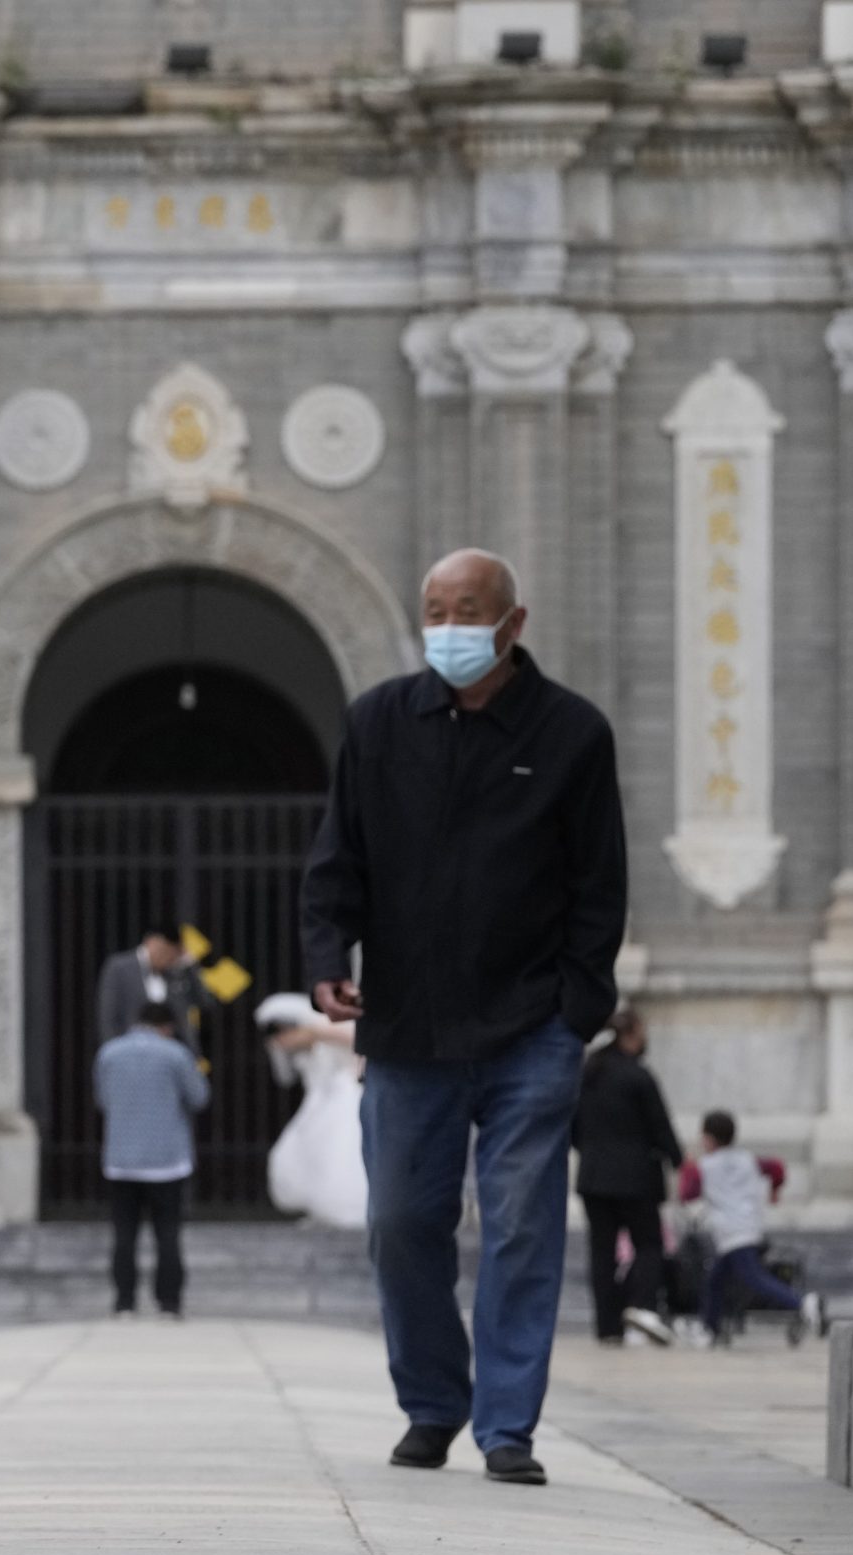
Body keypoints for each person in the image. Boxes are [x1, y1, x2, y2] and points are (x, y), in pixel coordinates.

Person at [302, 548, 627, 1489]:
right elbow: (337, 866)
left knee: (524, 1226)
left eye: (467, 609)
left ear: (512, 622)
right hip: (408, 1029)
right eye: (433, 607)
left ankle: (508, 1425)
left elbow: (599, 885)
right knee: (402, 1221)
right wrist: (328, 964)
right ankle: (434, 1401)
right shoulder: (378, 724)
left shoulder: (573, 732)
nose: (447, 624)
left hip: (532, 1029)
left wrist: (577, 1010)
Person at [571, 1009, 683, 1346]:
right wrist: (678, 1160)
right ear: (631, 1034)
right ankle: (641, 1304)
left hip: (593, 1177)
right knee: (648, 1243)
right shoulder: (638, 1076)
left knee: (601, 1251)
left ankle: (607, 1326)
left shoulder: (586, 1075)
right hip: (636, 1178)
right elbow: (659, 1126)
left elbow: (571, 1128)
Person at [95, 1002, 209, 1318]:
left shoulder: (109, 1054)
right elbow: (199, 1096)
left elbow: (102, 1098)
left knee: (123, 1235)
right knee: (168, 1234)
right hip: (167, 1159)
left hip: (121, 1159)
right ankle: (169, 1303)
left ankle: (124, 1303)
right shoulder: (176, 1054)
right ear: (167, 1026)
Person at [676, 1111, 827, 1346]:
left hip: (730, 1232)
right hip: (750, 1225)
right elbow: (776, 1167)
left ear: (707, 1138)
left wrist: (686, 1166)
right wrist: (774, 1191)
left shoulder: (704, 1167)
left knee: (755, 1278)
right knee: (715, 1279)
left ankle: (803, 1303)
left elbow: (686, 1194)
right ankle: (709, 1328)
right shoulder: (747, 1159)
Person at [256, 992, 367, 1231]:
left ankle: (344, 1205)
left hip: (344, 1096)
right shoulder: (295, 1045)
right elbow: (285, 1077)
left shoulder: (325, 1029)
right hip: (320, 1101)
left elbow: (358, 1042)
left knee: (340, 1150)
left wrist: (316, 1033)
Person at [97, 923, 206, 1051]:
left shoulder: (177, 972)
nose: (169, 960)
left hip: (171, 1052)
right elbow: (108, 1016)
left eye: (173, 956)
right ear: (152, 943)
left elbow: (204, 1002)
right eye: (166, 952)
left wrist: (190, 966)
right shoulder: (119, 967)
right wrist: (114, 1052)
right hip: (131, 1052)